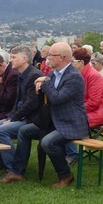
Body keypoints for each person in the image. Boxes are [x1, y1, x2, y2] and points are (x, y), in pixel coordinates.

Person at [32, 42, 90, 188]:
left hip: (72, 123)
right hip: (56, 120)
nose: (47, 58)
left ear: (62, 57)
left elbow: (57, 98)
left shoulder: (74, 77)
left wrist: (45, 82)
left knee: (47, 143)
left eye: (51, 55)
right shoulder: (53, 73)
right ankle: (17, 170)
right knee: (25, 131)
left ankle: (65, 175)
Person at [0, 45, 43, 183]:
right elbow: (18, 102)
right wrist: (11, 116)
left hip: (33, 119)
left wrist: (13, 118)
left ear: (24, 59)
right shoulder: (22, 74)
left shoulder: (34, 75)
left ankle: (15, 169)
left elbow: (31, 104)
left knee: (1, 131)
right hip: (22, 115)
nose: (11, 60)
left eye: (14, 57)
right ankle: (6, 163)